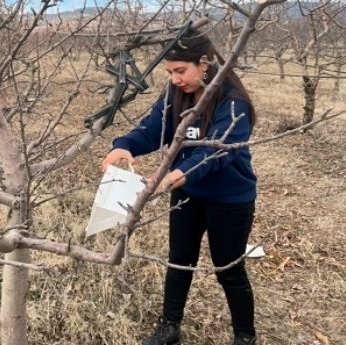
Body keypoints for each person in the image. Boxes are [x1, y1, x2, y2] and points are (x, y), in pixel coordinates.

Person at [100, 27, 258, 345]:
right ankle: (170, 327)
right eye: (170, 72)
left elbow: (211, 156)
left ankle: (245, 336)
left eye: (180, 71)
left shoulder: (233, 105)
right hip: (186, 194)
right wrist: (125, 145)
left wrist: (167, 179)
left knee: (228, 269)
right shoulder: (176, 94)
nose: (174, 79)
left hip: (229, 200)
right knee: (178, 261)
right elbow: (154, 127)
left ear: (205, 63)